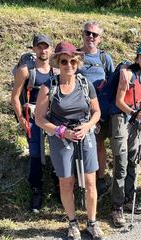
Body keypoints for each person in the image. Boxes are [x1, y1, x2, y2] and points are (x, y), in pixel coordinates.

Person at [35, 41, 105, 239]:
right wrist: (61, 131)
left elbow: (97, 111)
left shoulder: (85, 84)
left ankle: (92, 222)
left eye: (73, 61)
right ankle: (72, 222)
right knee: (66, 182)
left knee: (91, 181)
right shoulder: (48, 87)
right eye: (64, 61)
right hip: (61, 137)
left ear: (78, 62)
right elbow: (39, 119)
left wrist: (88, 126)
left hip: (84, 134)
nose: (69, 65)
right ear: (57, 62)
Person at [110, 44, 141, 227]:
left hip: (135, 120)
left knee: (132, 162)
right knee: (121, 163)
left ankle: (129, 199)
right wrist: (134, 113)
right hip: (121, 118)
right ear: (137, 59)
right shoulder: (128, 74)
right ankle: (117, 206)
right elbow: (119, 101)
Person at [11, 34, 55, 213]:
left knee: (57, 152)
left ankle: (59, 187)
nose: (43, 50)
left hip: (52, 117)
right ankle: (36, 191)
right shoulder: (26, 70)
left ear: (51, 49)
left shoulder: (57, 69)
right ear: (34, 49)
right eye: (39, 47)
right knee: (36, 154)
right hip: (32, 117)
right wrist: (21, 118)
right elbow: (14, 96)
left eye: (46, 47)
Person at [77, 20, 115, 196]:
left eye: (95, 34)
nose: (91, 37)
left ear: (100, 38)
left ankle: (99, 180)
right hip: (79, 112)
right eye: (88, 33)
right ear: (82, 34)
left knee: (99, 145)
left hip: (101, 111)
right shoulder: (76, 56)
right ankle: (80, 181)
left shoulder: (104, 58)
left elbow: (113, 82)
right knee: (80, 147)